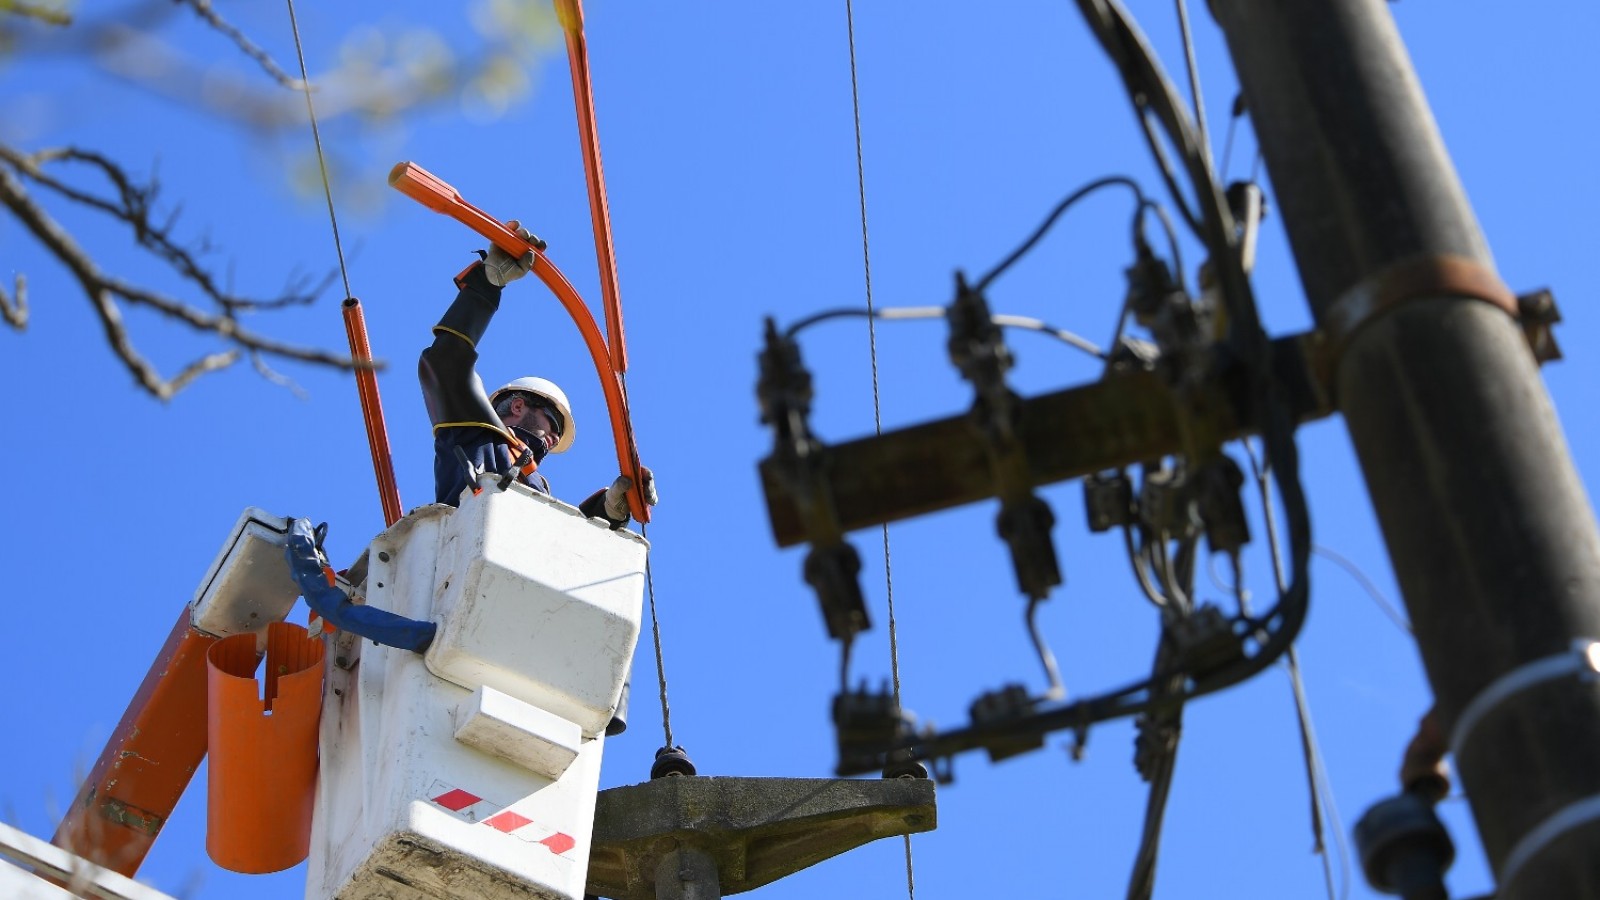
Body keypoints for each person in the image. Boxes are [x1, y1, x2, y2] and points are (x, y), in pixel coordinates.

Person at [418, 221, 654, 525]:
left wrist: (609, 511)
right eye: (553, 422)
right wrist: (488, 284)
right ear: (518, 405)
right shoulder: (477, 438)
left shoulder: (537, 488)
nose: (555, 438)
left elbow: (561, 547)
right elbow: (444, 363)